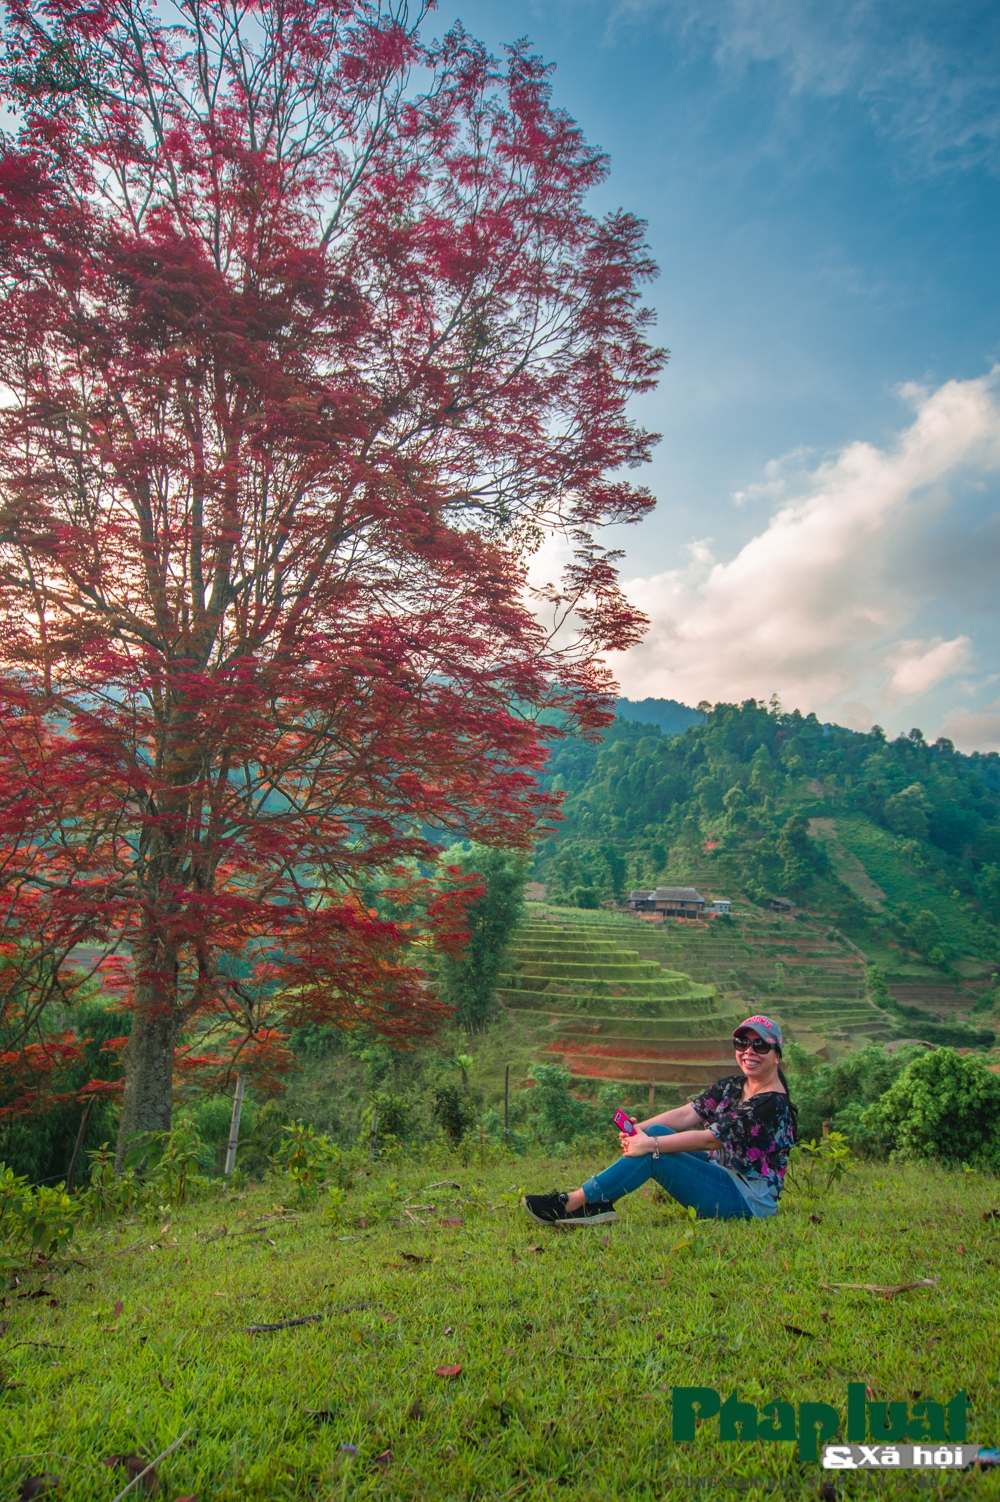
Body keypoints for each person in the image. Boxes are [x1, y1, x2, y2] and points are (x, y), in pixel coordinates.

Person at [523, 1014, 796, 1227]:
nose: (749, 1051)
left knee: (656, 1152)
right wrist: (640, 1130)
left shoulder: (770, 1103)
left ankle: (575, 1202)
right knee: (656, 1132)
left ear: (777, 1055)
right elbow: (688, 1113)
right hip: (723, 1174)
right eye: (742, 1043)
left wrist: (649, 1144)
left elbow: (710, 1139)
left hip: (747, 1200)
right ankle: (597, 1204)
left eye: (760, 1045)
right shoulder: (735, 1086)